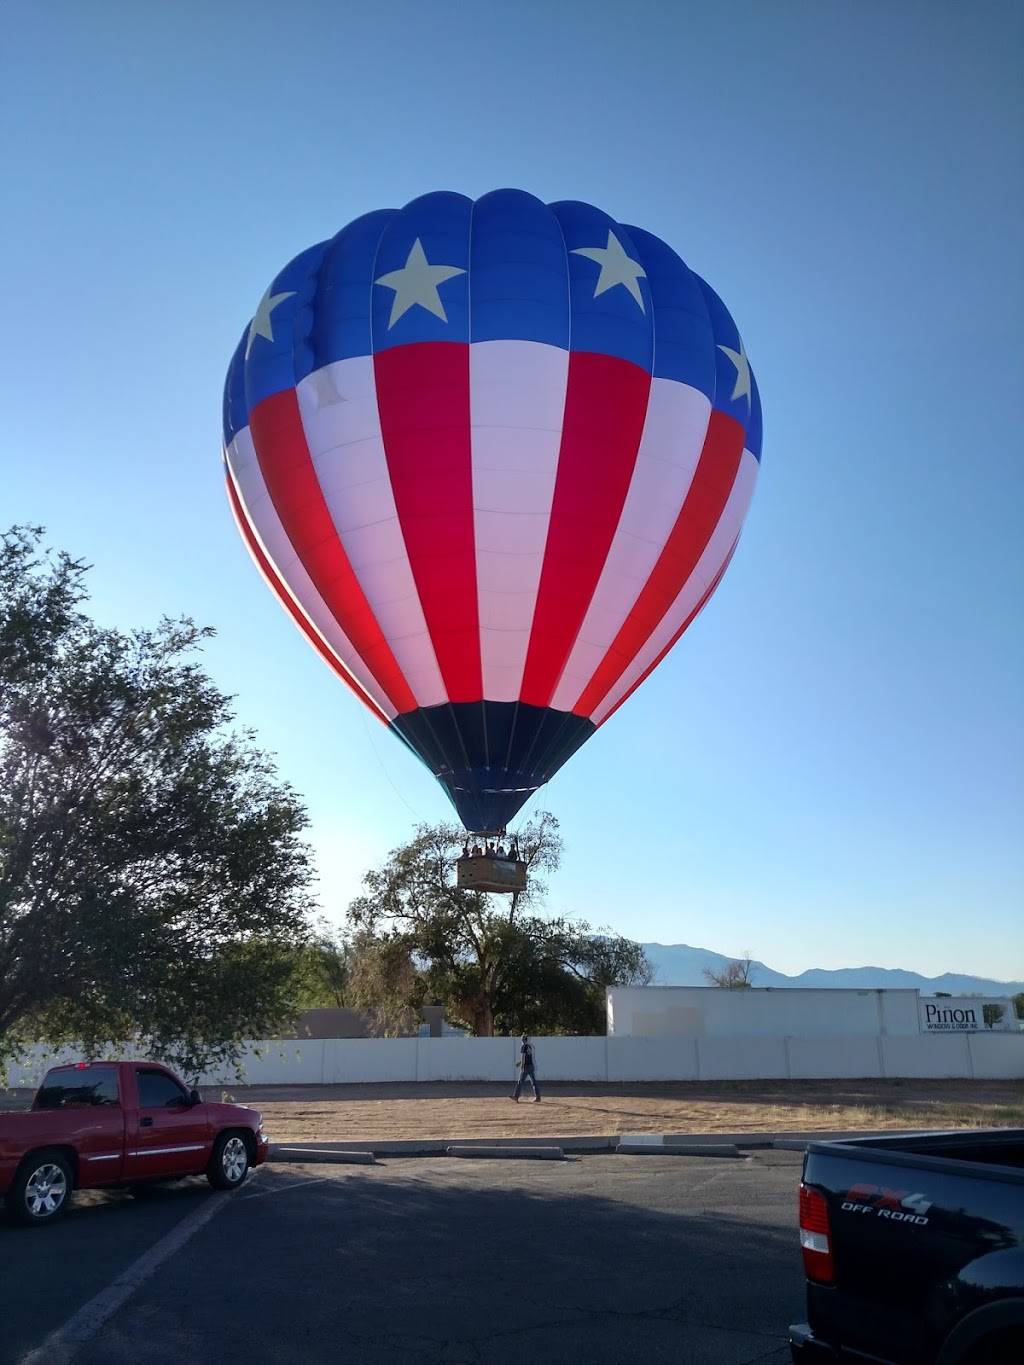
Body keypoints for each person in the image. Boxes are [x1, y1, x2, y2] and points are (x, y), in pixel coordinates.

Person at [511, 1033, 540, 1103]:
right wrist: (520, 1062)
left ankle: (516, 1096)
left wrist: (522, 1066)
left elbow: (523, 1057)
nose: (521, 1040)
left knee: (520, 1082)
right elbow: (528, 1057)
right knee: (534, 1082)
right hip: (531, 1066)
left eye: (522, 1039)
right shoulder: (530, 1046)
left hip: (526, 1067)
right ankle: (538, 1097)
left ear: (523, 1040)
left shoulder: (523, 1046)